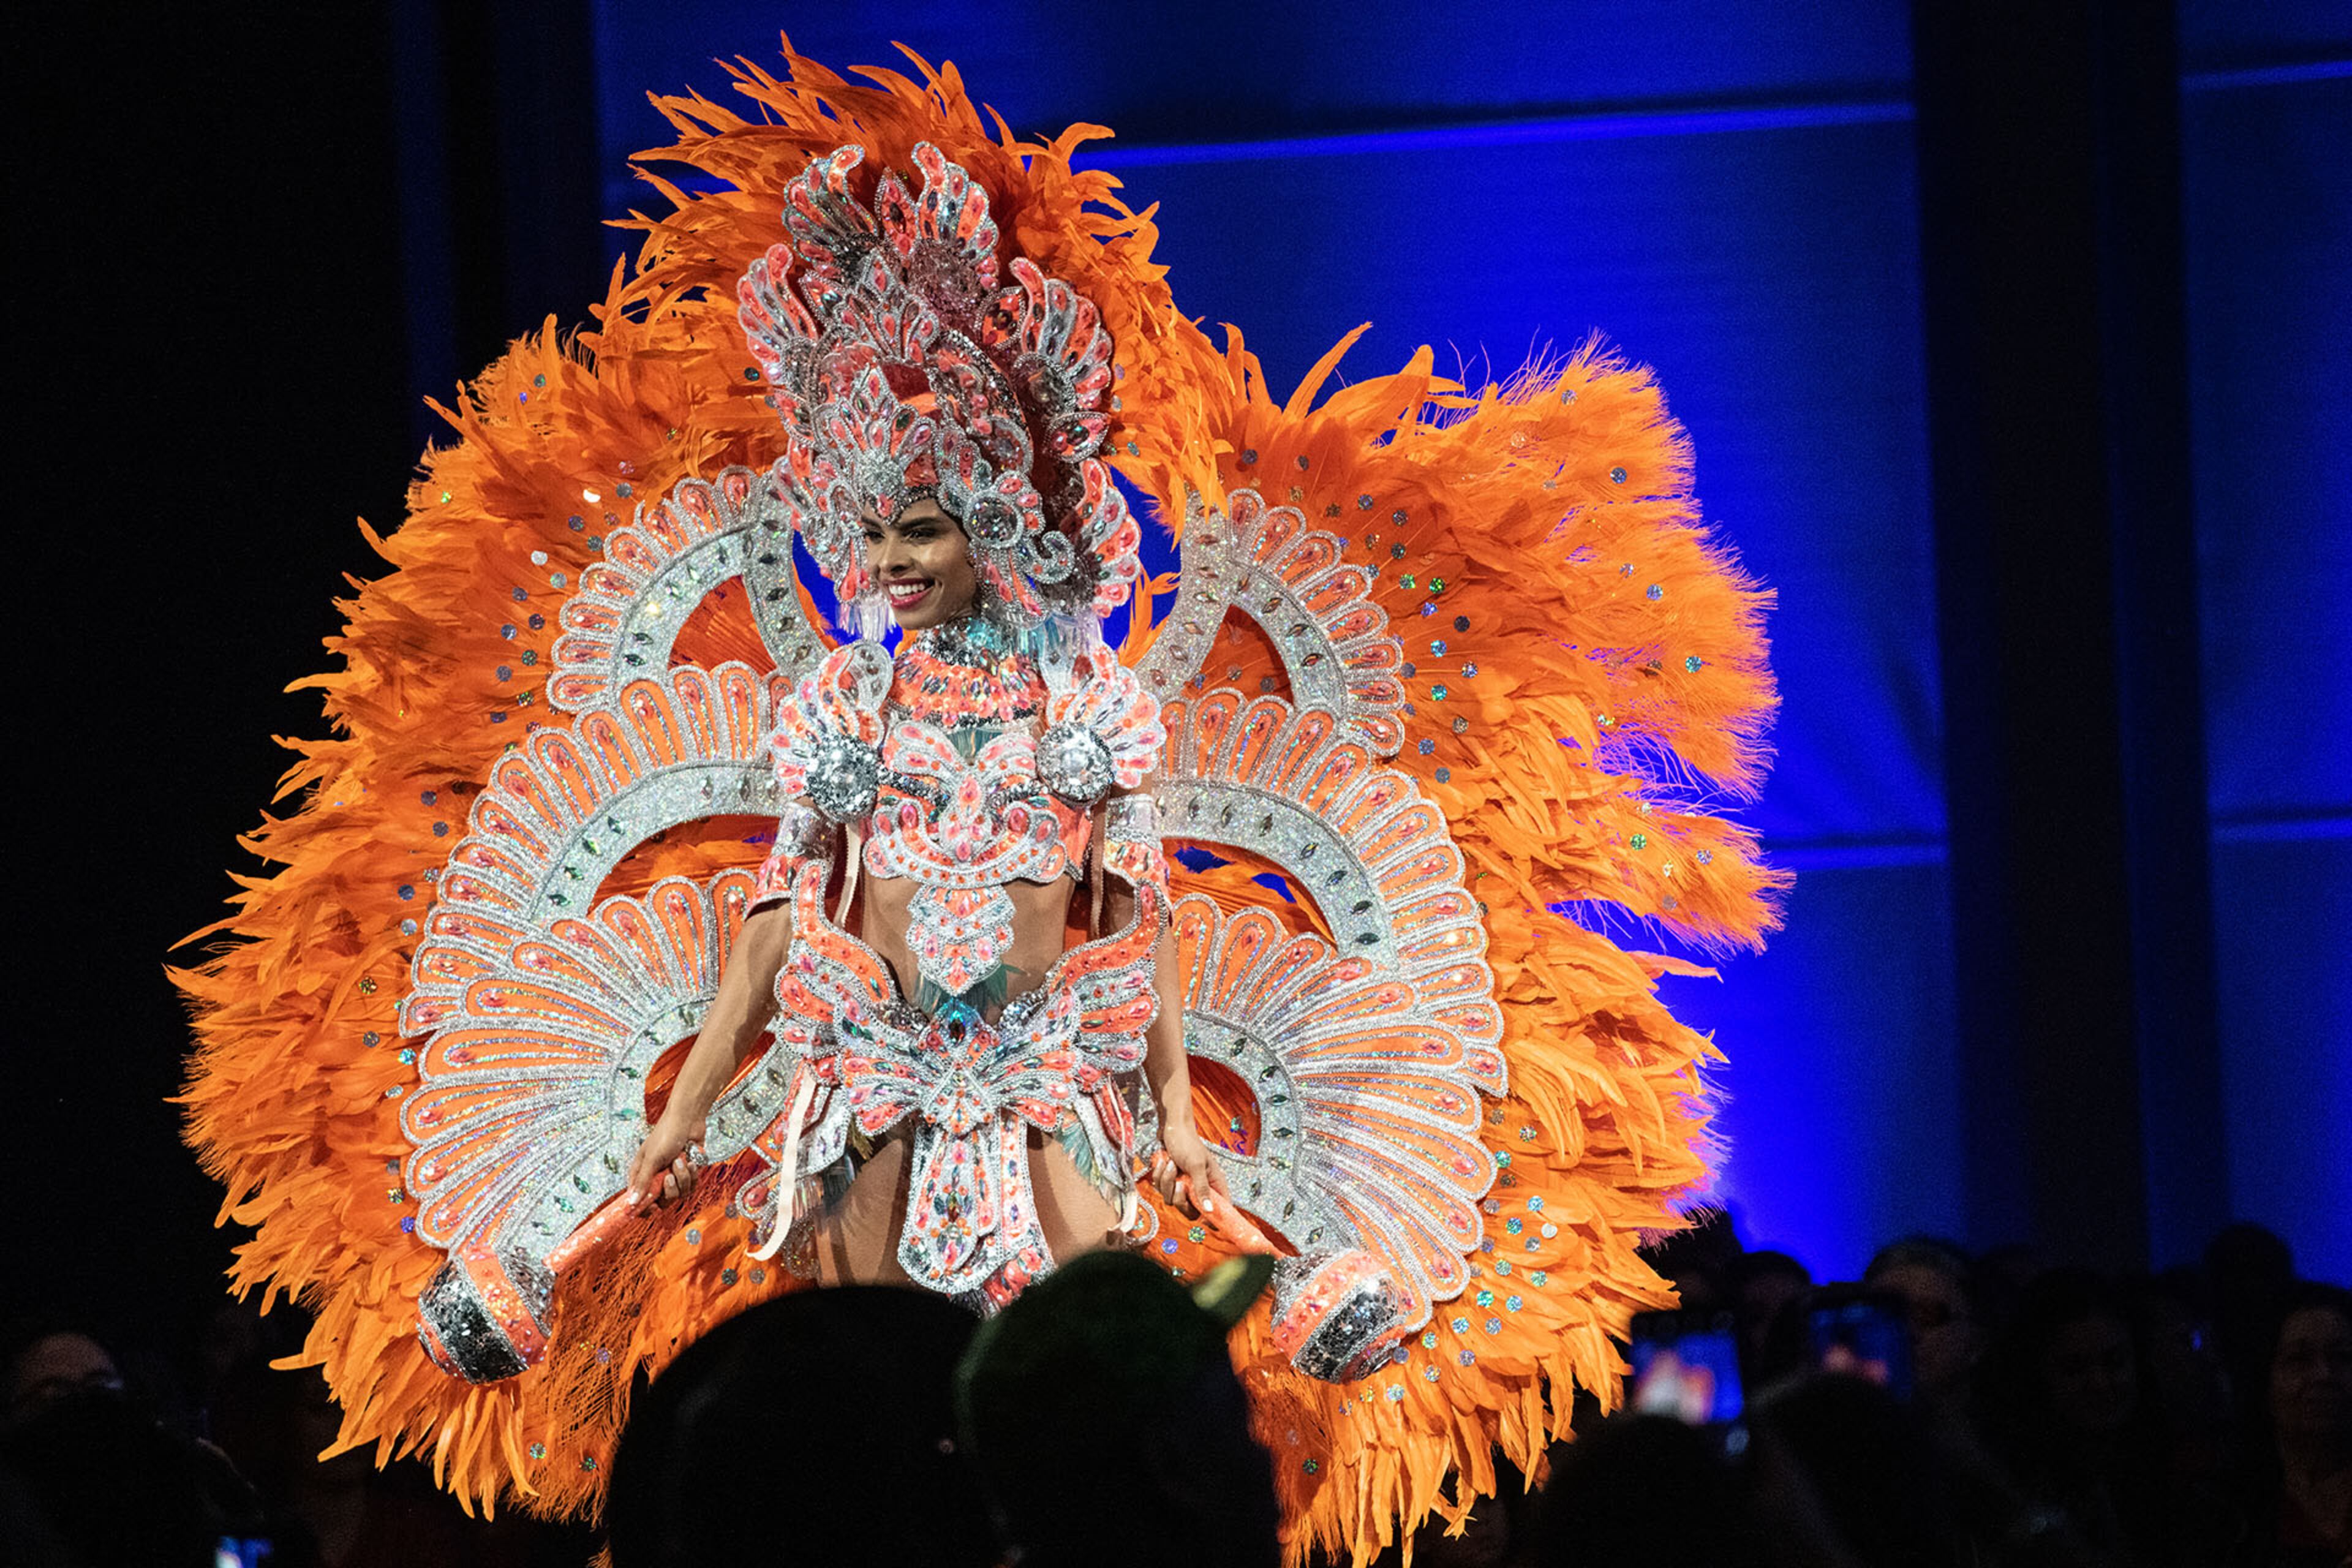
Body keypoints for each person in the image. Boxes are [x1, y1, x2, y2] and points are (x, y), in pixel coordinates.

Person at [617, 478, 1229, 1298]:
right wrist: (683, 1112)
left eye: (919, 533)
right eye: (873, 535)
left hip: (1048, 1114)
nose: (888, 562)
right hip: (876, 1120)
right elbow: (776, 921)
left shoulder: (1089, 712)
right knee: (883, 1399)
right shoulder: (852, 713)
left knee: (1047, 1401)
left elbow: (1141, 925)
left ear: (996, 534)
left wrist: (1177, 1120)